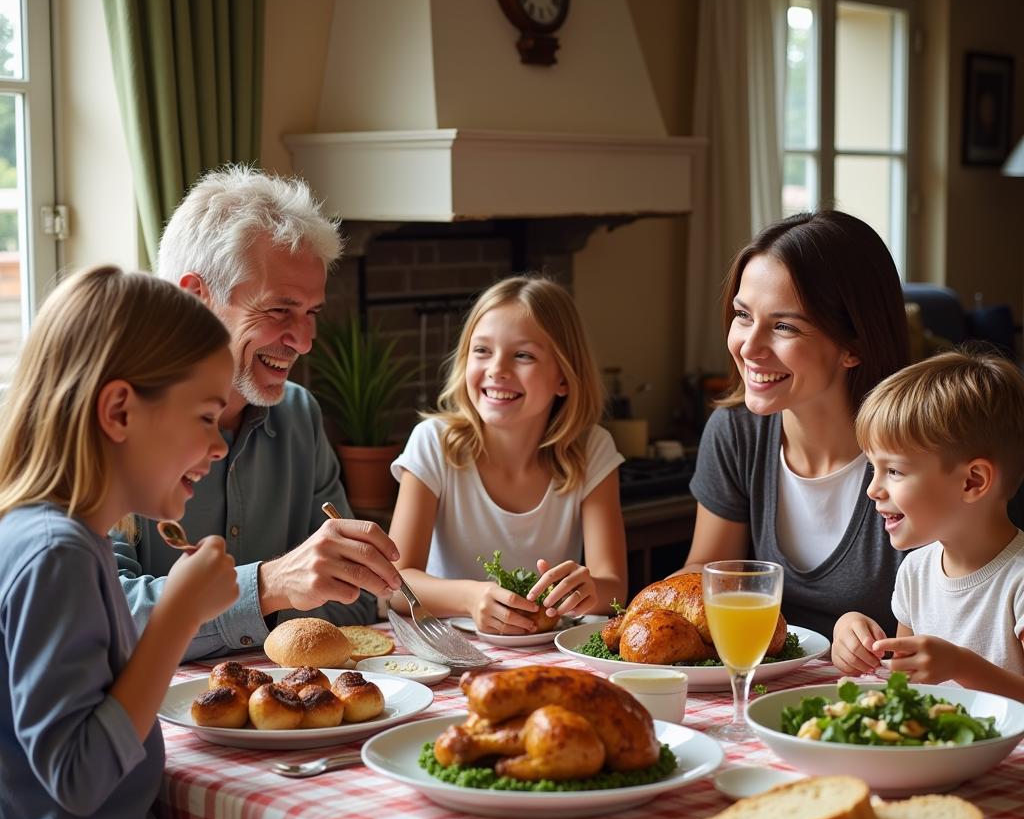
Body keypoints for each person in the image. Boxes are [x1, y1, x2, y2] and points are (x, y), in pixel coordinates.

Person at [0, 267, 403, 819]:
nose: (219, 446)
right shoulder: (53, 553)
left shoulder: (66, 538)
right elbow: (78, 776)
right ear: (119, 411)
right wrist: (176, 618)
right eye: (203, 417)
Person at [113, 166, 402, 662]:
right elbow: (106, 622)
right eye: (278, 310)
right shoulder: (116, 425)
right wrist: (268, 587)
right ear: (194, 297)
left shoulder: (298, 416)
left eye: (310, 313)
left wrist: (245, 608)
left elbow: (354, 607)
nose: (305, 341)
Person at [678, 210, 910, 639]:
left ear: (853, 346)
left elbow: (959, 617)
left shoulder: (922, 452)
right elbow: (707, 569)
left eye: (784, 326)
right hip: (765, 682)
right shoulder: (736, 432)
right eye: (743, 315)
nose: (749, 347)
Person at [388, 275, 627, 634]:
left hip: (548, 651)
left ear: (564, 377)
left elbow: (614, 589)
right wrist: (470, 597)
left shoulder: (592, 449)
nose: (497, 370)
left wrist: (586, 590)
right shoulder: (433, 443)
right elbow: (395, 585)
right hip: (452, 649)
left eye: (523, 355)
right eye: (482, 351)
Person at [831, 350, 1024, 699]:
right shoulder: (915, 571)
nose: (873, 489)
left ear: (972, 482)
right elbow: (908, 684)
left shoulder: (1018, 581)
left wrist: (961, 666)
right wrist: (853, 635)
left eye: (894, 471)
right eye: (874, 468)